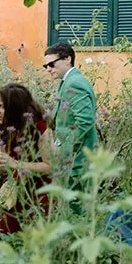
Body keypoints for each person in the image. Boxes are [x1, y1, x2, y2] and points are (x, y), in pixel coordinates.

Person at [0, 83, 55, 234]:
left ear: (15, 108)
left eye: (1, 106)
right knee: (5, 232)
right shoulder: (3, 126)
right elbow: (4, 162)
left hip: (42, 191)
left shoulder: (39, 127)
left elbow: (50, 165)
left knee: (36, 237)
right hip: (17, 191)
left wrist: (15, 163)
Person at [43, 42, 98, 193]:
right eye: (45, 66)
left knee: (75, 205)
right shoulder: (69, 81)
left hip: (77, 163)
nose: (48, 69)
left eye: (51, 64)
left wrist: (63, 151)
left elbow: (85, 122)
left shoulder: (74, 83)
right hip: (74, 161)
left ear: (67, 59)